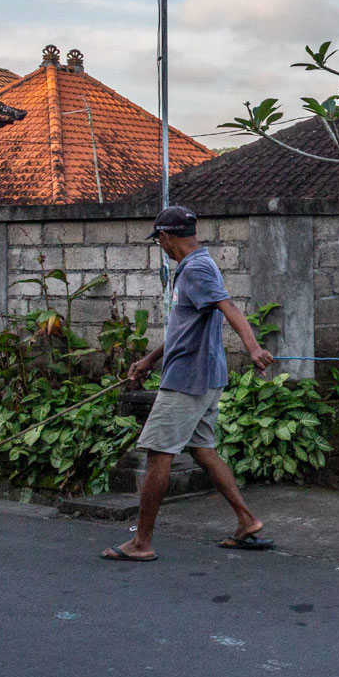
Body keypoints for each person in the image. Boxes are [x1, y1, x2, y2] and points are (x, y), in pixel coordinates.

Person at [102, 205, 277, 562]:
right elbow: (185, 328)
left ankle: (141, 542)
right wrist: (150, 360)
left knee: (157, 454)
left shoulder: (195, 269)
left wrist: (253, 348)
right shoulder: (198, 265)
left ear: (166, 237)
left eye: (159, 241)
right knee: (202, 450)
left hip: (188, 379)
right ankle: (247, 521)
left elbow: (229, 307)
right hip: (204, 376)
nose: (161, 247)